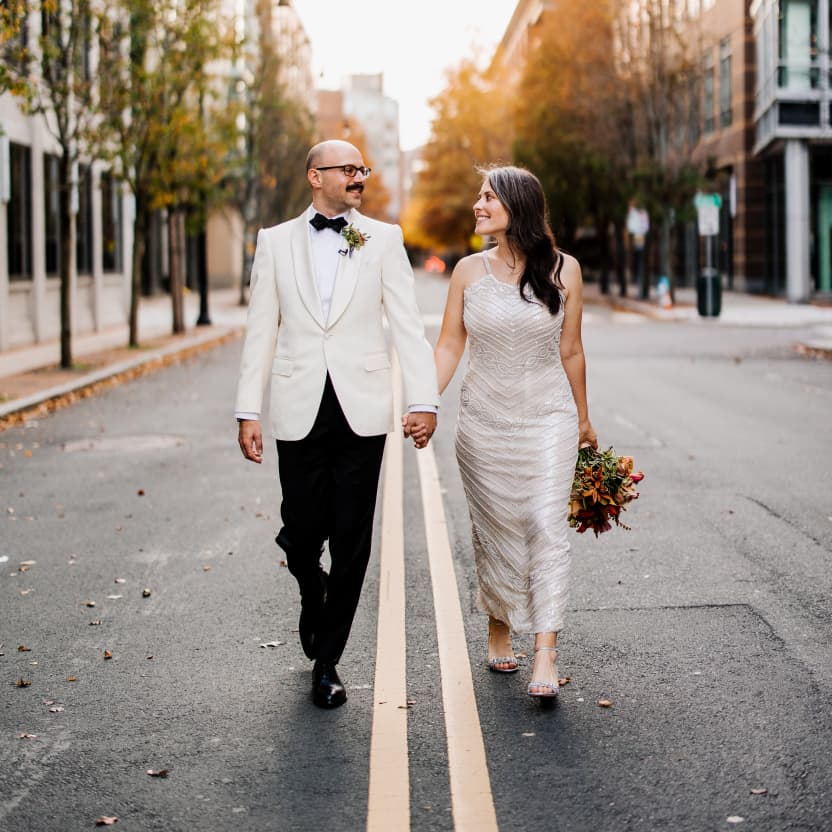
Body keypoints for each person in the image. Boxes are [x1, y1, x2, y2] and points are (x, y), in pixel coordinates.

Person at [235, 140, 439, 709]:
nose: (358, 177)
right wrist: (248, 409)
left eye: (362, 170)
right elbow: (260, 329)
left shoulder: (383, 238)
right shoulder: (273, 243)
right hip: (299, 403)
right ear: (314, 176)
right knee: (301, 531)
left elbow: (407, 325)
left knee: (351, 537)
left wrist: (423, 399)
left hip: (363, 407)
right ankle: (309, 584)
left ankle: (328, 661)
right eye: (347, 169)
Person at [425, 164, 597, 699]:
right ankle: (499, 627)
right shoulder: (467, 272)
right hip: (482, 424)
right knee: (495, 528)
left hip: (548, 418)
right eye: (478, 197)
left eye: (488, 198)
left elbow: (570, 348)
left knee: (546, 524)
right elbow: (450, 345)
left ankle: (545, 653)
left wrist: (584, 416)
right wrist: (424, 400)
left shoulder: (565, 270)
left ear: (517, 207)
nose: (477, 206)